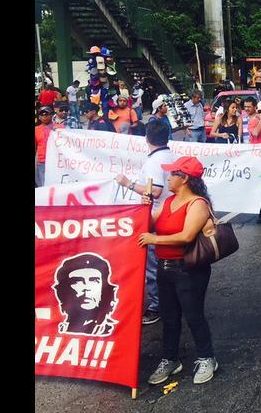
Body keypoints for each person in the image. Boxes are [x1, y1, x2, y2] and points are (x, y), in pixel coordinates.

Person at [138, 156, 219, 385]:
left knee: (194, 316)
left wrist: (155, 239)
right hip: (164, 269)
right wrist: (143, 209)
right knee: (170, 319)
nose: (168, 177)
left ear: (184, 178)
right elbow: (150, 224)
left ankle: (207, 357)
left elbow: (186, 236)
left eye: (172, 173)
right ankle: (170, 359)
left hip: (188, 270)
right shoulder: (166, 202)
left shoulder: (198, 204)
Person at [115, 119, 177, 326]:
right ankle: (170, 302)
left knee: (153, 266)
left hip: (156, 218)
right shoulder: (170, 156)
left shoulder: (154, 162)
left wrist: (128, 184)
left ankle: (156, 306)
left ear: (147, 138)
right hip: (171, 215)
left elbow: (155, 190)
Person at [52, 253, 118, 336]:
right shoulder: (53, 329)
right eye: (77, 281)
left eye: (94, 281)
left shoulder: (118, 330)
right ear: (63, 290)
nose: (86, 287)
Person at [35, 107, 55, 187]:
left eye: (47, 114)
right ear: (39, 117)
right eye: (42, 114)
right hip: (42, 162)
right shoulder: (36, 130)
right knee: (43, 186)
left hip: (56, 161)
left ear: (51, 115)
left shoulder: (60, 128)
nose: (45, 116)